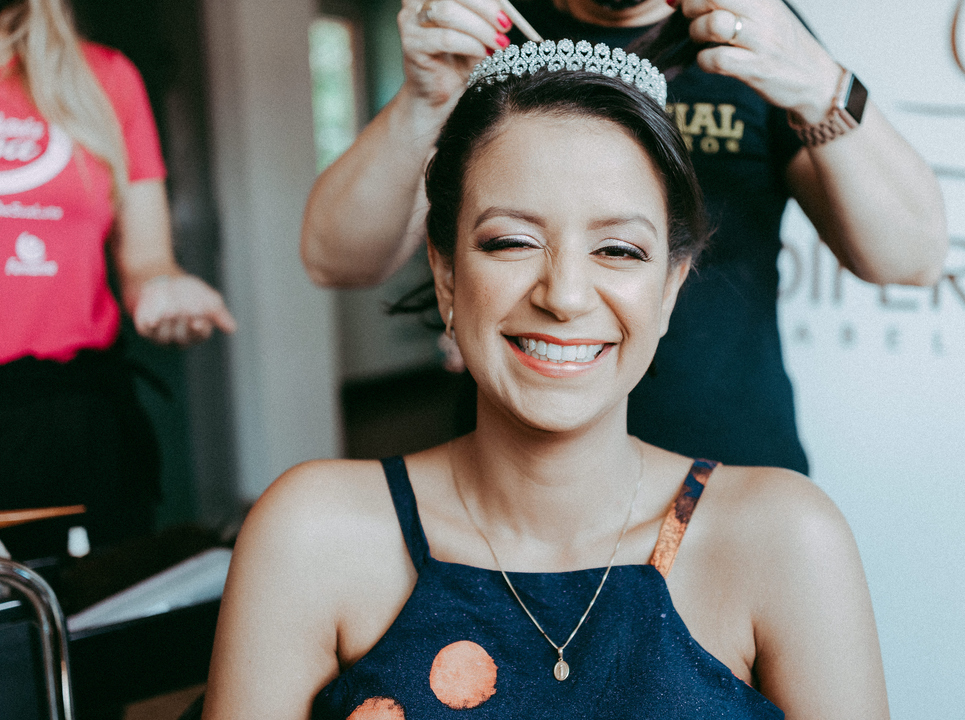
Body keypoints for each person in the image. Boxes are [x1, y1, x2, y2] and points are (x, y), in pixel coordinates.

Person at [206, 52, 888, 718]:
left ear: (670, 289)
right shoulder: (312, 533)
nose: (564, 296)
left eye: (618, 250)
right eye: (511, 242)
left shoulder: (786, 539)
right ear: (446, 273)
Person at [301, 0, 947, 475]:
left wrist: (821, 83)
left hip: (729, 457)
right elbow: (334, 258)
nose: (567, 295)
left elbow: (911, 257)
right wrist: (424, 101)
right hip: (519, 477)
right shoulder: (487, 28)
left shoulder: (756, 32)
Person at [0, 0, 236, 559]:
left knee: (101, 604)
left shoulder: (105, 78)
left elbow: (147, 260)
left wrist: (162, 286)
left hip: (78, 416)